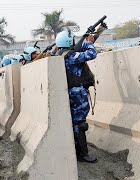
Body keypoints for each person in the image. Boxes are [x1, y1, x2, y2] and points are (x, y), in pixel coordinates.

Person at [55, 23, 107, 163]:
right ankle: (82, 154)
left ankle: (79, 152)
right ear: (68, 41)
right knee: (80, 124)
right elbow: (91, 53)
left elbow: (82, 45)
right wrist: (89, 43)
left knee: (77, 123)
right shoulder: (70, 56)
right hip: (77, 94)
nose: (74, 41)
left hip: (72, 93)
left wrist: (97, 32)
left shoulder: (61, 54)